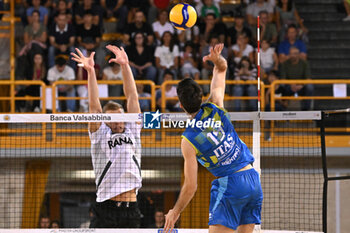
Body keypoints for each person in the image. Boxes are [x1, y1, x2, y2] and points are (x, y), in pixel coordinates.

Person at [163, 44, 263, 233]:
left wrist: (175, 212)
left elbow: (191, 186)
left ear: (181, 106)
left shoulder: (189, 140)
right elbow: (223, 68)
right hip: (253, 180)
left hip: (231, 184)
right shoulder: (215, 105)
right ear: (201, 96)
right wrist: (216, 60)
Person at [71, 45, 142, 228]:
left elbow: (132, 97)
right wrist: (90, 72)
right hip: (106, 206)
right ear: (106, 121)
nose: (119, 123)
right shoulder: (100, 135)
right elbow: (94, 107)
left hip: (131, 207)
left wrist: (126, 66)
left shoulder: (132, 129)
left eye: (121, 117)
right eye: (114, 119)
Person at [280, 46, 313, 110]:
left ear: (298, 54)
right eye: (291, 53)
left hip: (301, 86)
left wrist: (301, 85)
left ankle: (307, 110)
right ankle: (282, 107)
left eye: (294, 53)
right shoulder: (284, 64)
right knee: (281, 85)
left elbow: (308, 78)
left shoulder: (304, 63)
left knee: (310, 87)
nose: (292, 55)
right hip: (289, 86)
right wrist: (291, 85)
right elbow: (283, 79)